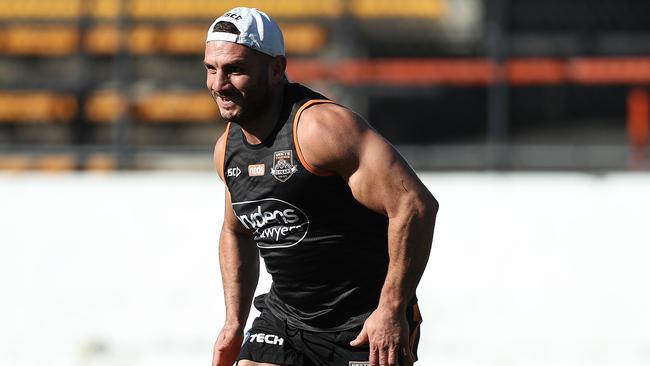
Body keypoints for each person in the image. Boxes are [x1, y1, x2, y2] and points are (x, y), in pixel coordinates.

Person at [206, 7, 438, 366]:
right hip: (285, 321)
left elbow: (415, 206)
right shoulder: (227, 149)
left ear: (276, 69)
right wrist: (234, 323)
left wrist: (391, 309)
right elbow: (236, 231)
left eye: (235, 70)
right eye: (211, 69)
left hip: (362, 324)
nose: (219, 84)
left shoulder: (320, 129)